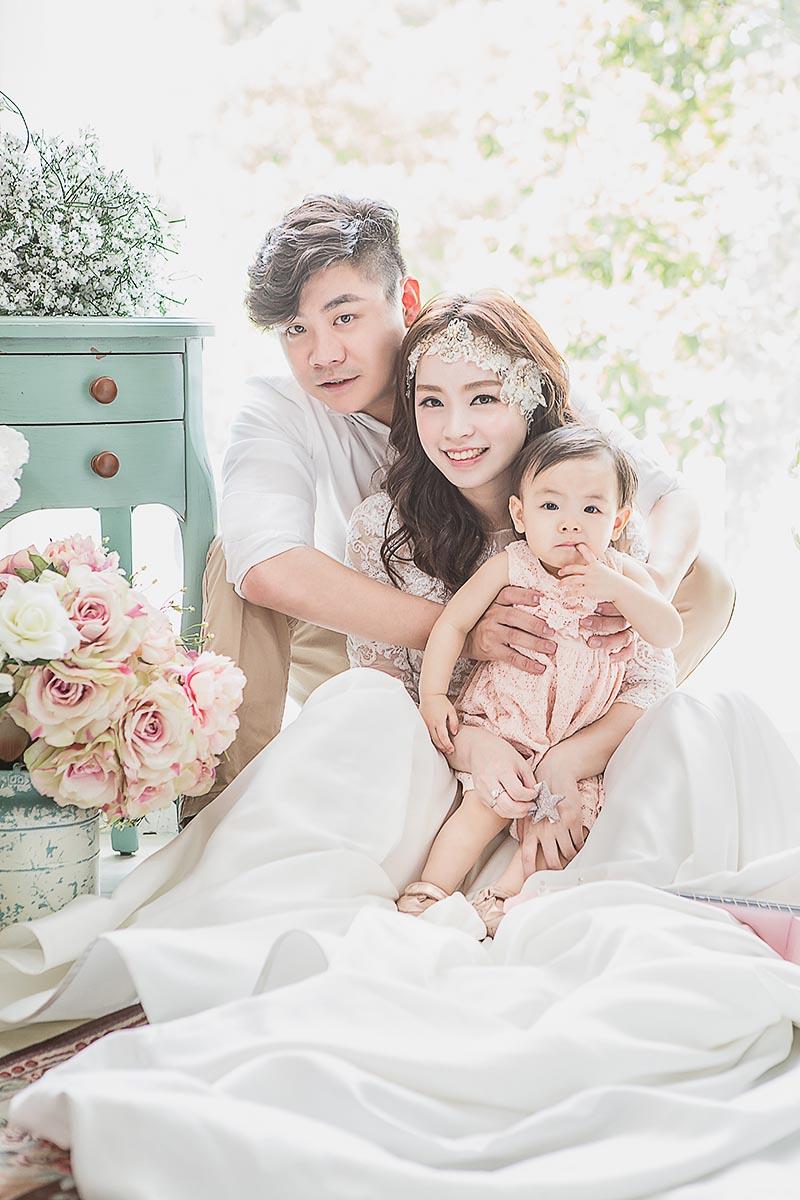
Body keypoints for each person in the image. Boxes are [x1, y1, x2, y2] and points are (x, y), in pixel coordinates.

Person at [185, 194, 735, 825]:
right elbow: (264, 564)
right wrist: (461, 628)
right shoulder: (277, 407)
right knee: (232, 561)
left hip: (548, 635)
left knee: (704, 579)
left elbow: (668, 497)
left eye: (345, 318)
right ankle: (220, 810)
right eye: (295, 330)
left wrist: (642, 593)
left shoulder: (490, 359)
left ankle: (579, 750)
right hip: (374, 635)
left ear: (405, 299)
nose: (322, 354)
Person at [403, 423, 681, 935]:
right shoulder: (512, 565)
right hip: (509, 722)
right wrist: (433, 693)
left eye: (591, 509)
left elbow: (668, 632)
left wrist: (620, 589)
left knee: (565, 826)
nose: (570, 524)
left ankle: (504, 896)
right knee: (482, 808)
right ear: (520, 514)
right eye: (551, 506)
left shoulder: (623, 573)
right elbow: (453, 624)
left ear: (618, 520)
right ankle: (430, 889)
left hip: (577, 735)